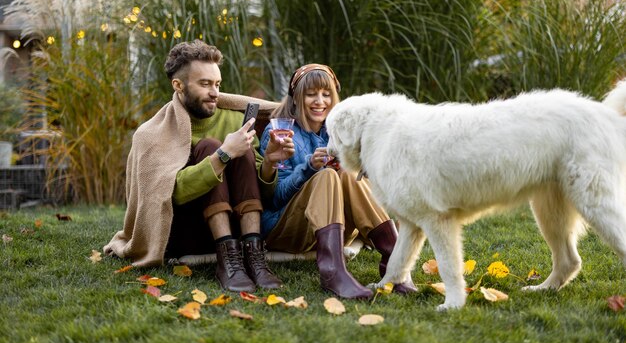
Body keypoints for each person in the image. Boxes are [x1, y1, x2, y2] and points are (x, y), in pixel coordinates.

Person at [104, 40, 294, 293]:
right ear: (178, 85)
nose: (214, 92)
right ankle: (228, 262)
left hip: (240, 227)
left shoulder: (236, 119)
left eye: (217, 84)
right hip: (186, 232)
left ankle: (254, 256)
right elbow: (169, 196)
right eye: (204, 84)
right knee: (210, 146)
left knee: (242, 147)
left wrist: (270, 161)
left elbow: (262, 193)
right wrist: (223, 155)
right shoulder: (152, 133)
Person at [259, 64, 416, 299]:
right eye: (311, 94)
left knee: (346, 173)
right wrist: (309, 168)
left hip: (334, 229)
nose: (319, 101)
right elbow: (275, 197)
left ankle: (395, 265)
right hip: (287, 230)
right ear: (296, 98)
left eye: (326, 94)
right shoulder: (280, 133)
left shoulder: (340, 130)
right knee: (325, 174)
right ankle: (333, 272)